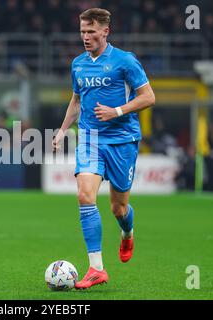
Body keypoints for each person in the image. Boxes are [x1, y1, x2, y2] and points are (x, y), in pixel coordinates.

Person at [52, 8, 155, 289]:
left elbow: (148, 96)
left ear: (105, 31)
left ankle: (127, 232)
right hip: (90, 139)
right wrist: (61, 131)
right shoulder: (78, 64)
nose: (85, 37)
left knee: (118, 208)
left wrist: (117, 110)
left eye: (91, 32)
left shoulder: (125, 61)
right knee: (85, 196)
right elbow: (76, 101)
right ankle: (96, 268)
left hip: (122, 140)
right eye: (82, 32)